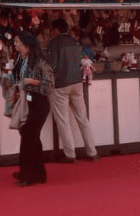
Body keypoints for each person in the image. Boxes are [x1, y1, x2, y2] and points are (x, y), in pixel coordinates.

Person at [46, 18, 99, 163]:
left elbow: (52, 66)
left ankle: (70, 155)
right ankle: (92, 152)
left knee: (63, 121)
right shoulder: (75, 42)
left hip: (61, 84)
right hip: (77, 83)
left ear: (56, 29)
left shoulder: (54, 43)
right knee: (83, 119)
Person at [11, 32, 54, 186]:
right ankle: (38, 173)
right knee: (32, 138)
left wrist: (33, 82)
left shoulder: (40, 63)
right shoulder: (23, 61)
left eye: (18, 43)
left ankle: (28, 174)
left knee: (29, 137)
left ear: (27, 46)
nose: (16, 45)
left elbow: (49, 84)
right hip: (29, 101)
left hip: (39, 102)